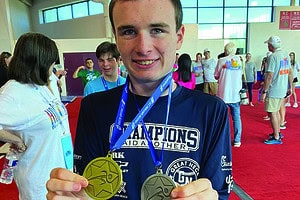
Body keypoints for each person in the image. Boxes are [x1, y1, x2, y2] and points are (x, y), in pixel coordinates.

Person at [46, 1, 232, 200]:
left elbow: (220, 191)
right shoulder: (94, 107)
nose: (143, 47)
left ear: (178, 37)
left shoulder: (211, 110)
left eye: (157, 30)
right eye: (128, 31)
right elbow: (87, 189)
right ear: (116, 38)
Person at [0, 33, 73, 199]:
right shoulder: (14, 92)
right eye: (50, 62)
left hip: (61, 173)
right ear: (38, 61)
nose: (53, 67)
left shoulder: (44, 82)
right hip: (39, 184)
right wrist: (15, 139)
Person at [260, 36, 293, 145]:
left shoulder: (273, 57)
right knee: (277, 111)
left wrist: (264, 91)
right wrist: (290, 86)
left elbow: (269, 75)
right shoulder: (285, 55)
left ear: (270, 45)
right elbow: (290, 72)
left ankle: (276, 136)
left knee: (272, 113)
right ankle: (277, 132)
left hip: (274, 89)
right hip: (282, 88)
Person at [214, 42, 243, 147]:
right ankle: (237, 140)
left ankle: (223, 139)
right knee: (236, 117)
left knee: (223, 118)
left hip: (224, 94)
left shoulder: (221, 60)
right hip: (236, 94)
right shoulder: (239, 60)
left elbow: (216, 75)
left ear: (226, 50)